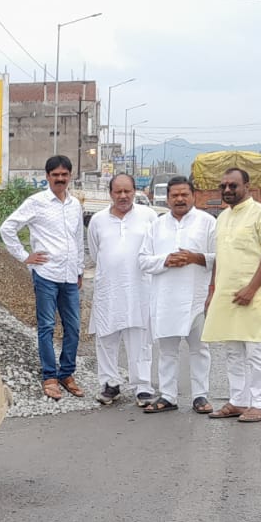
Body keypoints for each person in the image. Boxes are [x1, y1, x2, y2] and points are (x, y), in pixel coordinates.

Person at [202, 167, 261, 423]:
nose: (227, 190)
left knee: (256, 350)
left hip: (254, 294)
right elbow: (220, 256)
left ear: (247, 187)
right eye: (223, 186)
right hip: (227, 295)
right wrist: (212, 290)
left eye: (233, 185)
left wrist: (251, 289)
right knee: (232, 351)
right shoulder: (222, 217)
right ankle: (238, 400)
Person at [1, 155, 86, 401]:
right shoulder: (36, 202)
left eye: (64, 174)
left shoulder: (75, 205)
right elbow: (7, 228)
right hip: (46, 274)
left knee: (73, 327)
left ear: (70, 176)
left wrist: (79, 269)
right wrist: (24, 256)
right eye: (55, 175)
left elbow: (77, 239)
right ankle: (50, 377)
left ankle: (66, 373)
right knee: (47, 326)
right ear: (47, 176)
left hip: (69, 276)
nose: (60, 179)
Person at [139, 176, 216, 414]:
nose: (180, 199)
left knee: (199, 348)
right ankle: (168, 396)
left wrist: (195, 258)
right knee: (167, 351)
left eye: (184, 194)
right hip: (166, 299)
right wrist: (166, 260)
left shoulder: (208, 222)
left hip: (196, 297)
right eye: (175, 195)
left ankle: (200, 396)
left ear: (194, 196)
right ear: (168, 198)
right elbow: (143, 261)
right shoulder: (157, 225)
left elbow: (220, 257)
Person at [85, 173, 157, 406]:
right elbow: (95, 252)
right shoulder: (98, 220)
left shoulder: (148, 216)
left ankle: (142, 386)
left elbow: (155, 250)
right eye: (118, 191)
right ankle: (110, 384)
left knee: (140, 338)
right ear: (110, 194)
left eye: (127, 191)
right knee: (106, 337)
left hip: (140, 289)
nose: (123, 196)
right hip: (108, 288)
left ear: (135, 191)